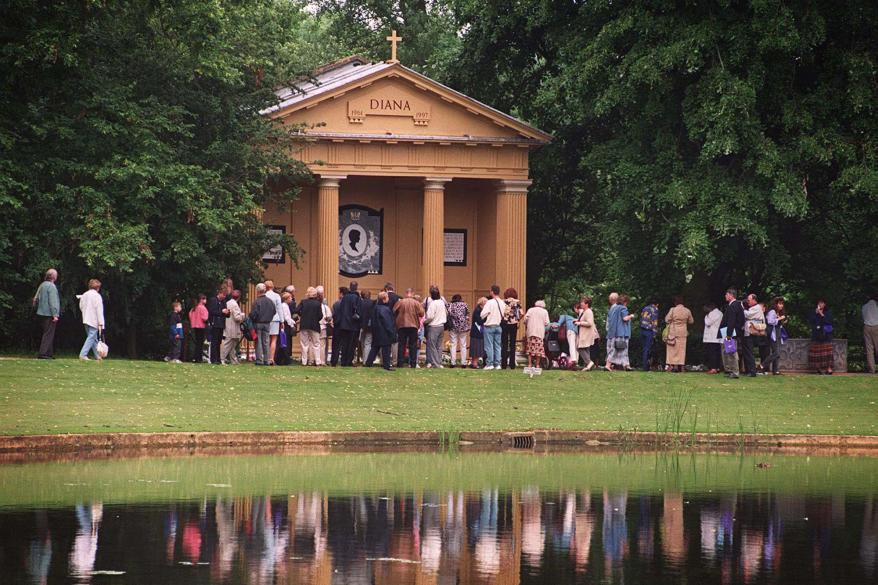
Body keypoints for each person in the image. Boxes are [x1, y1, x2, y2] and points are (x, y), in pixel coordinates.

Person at [364, 291, 397, 371]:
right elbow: (387, 322)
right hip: (384, 332)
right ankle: (386, 365)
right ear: (384, 299)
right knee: (386, 349)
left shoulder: (375, 308)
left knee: (375, 348)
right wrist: (392, 332)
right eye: (387, 297)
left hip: (376, 331)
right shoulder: (385, 309)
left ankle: (368, 363)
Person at [33, 268, 60, 359]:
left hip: (41, 313)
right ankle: (43, 353)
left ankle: (49, 353)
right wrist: (55, 314)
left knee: (48, 333)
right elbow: (53, 302)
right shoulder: (51, 286)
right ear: (54, 277)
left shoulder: (42, 285)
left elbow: (35, 299)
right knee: (48, 334)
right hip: (49, 314)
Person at [718, 288, 746, 379]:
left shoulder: (733, 306)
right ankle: (730, 369)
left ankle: (734, 371)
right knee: (728, 351)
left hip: (731, 332)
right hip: (733, 331)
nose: (725, 296)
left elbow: (731, 321)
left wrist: (729, 334)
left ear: (731, 295)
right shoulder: (737, 305)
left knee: (731, 351)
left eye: (726, 294)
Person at [394, 288, 424, 368]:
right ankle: (413, 363)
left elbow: (394, 311)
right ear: (413, 293)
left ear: (406, 293)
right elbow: (422, 314)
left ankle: (400, 363)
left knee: (401, 345)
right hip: (413, 326)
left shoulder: (400, 302)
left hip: (402, 325)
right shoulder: (416, 303)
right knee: (413, 345)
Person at [335, 281, 363, 367]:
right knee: (352, 345)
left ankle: (343, 361)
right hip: (353, 325)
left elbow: (341, 310)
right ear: (356, 287)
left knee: (344, 344)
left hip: (344, 325)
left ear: (350, 287)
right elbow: (359, 311)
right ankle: (349, 361)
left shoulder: (345, 297)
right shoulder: (357, 298)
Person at [664, 296, 694, 373]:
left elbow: (667, 319)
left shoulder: (672, 310)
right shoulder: (687, 310)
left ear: (675, 302)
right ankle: (682, 366)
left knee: (672, 349)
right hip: (683, 332)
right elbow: (691, 321)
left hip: (673, 332)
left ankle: (673, 366)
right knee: (682, 350)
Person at [248, 283, 276, 365]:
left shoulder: (257, 302)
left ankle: (259, 360)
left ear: (258, 291)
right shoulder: (270, 301)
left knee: (258, 341)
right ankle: (266, 360)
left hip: (258, 323)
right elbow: (274, 311)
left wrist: (251, 318)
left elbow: (254, 314)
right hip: (267, 323)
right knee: (266, 342)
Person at [480, 285, 507, 370]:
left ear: (492, 291)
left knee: (489, 346)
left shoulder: (490, 302)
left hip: (489, 326)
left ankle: (490, 363)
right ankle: (497, 364)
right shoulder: (502, 303)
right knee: (497, 346)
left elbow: (482, 315)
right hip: (498, 326)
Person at [606, 293, 635, 371]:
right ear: (625, 302)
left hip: (612, 333)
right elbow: (625, 318)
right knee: (623, 350)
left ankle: (626, 365)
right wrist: (631, 316)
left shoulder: (612, 309)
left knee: (613, 349)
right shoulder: (623, 308)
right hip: (622, 333)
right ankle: (624, 365)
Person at [296, 287, 324, 366]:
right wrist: (316, 319)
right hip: (314, 325)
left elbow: (297, 310)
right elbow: (320, 315)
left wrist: (303, 316)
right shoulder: (318, 303)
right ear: (315, 295)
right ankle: (318, 361)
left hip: (304, 324)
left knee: (304, 344)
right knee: (316, 343)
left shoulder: (303, 302)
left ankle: (304, 361)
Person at [78, 279, 105, 361]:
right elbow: (99, 310)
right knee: (91, 337)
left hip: (85, 318)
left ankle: (97, 356)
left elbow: (81, 306)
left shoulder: (84, 295)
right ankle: (83, 354)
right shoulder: (97, 296)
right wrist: (101, 323)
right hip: (94, 320)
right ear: (98, 288)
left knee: (93, 338)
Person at [424, 285, 448, 368]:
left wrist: (425, 322)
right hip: (441, 326)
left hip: (433, 326)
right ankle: (439, 362)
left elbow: (430, 317)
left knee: (432, 345)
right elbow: (446, 312)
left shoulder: (433, 304)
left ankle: (435, 363)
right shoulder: (442, 302)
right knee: (439, 346)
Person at [808, 299, 834, 374]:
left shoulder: (828, 312)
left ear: (824, 304)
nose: (820, 304)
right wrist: (816, 314)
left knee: (828, 353)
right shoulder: (814, 312)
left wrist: (821, 314)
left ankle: (829, 369)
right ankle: (819, 369)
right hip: (816, 335)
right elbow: (811, 321)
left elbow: (828, 321)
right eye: (819, 303)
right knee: (818, 354)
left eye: (822, 303)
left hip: (826, 335)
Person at [523, 300, 550, 370]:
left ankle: (529, 364)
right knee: (538, 350)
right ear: (543, 306)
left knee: (530, 349)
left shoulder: (530, 310)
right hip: (539, 333)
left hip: (530, 332)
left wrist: (527, 324)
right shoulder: (544, 312)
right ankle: (537, 365)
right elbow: (547, 323)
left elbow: (525, 319)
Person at [742, 293, 765, 377]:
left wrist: (742, 308)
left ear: (754, 300)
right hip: (749, 332)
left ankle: (752, 371)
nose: (748, 302)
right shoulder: (753, 308)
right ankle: (748, 370)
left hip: (752, 332)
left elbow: (748, 314)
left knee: (749, 352)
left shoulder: (757, 307)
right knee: (747, 352)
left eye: (749, 300)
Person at [764, 297, 787, 375]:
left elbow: (777, 323)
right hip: (773, 334)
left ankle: (775, 370)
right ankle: (762, 365)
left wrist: (782, 321)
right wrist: (780, 318)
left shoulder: (778, 312)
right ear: (776, 304)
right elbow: (770, 321)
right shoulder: (772, 311)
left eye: (782, 304)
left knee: (777, 352)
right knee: (776, 352)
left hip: (778, 333)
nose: (781, 306)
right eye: (780, 304)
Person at [220, 289, 244, 365]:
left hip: (227, 325)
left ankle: (234, 360)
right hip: (233, 327)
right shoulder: (235, 304)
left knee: (232, 345)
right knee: (228, 344)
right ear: (239, 297)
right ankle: (222, 359)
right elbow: (237, 317)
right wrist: (243, 315)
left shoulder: (227, 303)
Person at [574, 296, 597, 371]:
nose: (581, 304)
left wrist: (579, 323)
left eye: (582, 302)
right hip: (584, 333)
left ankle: (589, 362)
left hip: (586, 333)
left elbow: (589, 323)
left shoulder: (588, 312)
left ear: (587, 304)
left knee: (580, 348)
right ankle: (588, 366)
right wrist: (576, 321)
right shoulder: (584, 311)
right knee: (586, 348)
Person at [500, 288, 522, 369]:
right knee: (512, 344)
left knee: (504, 343)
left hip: (504, 323)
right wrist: (517, 319)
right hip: (513, 324)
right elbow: (521, 313)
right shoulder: (517, 302)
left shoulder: (503, 302)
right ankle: (512, 364)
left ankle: (504, 364)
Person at [263, 280, 283, 366]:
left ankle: (266, 358)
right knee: (274, 340)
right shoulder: (276, 296)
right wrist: (282, 321)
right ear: (272, 286)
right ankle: (271, 358)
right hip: (275, 319)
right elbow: (279, 309)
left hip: (265, 319)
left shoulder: (263, 296)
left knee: (266, 339)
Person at [274, 291, 296, 365]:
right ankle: (284, 359)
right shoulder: (284, 306)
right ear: (286, 299)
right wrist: (292, 324)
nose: (291, 299)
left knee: (283, 342)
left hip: (286, 324)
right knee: (284, 342)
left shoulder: (285, 305)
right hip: (286, 325)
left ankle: (283, 359)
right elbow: (286, 317)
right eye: (290, 298)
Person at [447, 294, 470, 368]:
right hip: (463, 327)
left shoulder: (450, 305)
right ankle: (463, 363)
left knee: (453, 344)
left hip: (453, 327)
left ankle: (453, 363)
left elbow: (448, 314)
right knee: (463, 345)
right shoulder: (465, 305)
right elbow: (467, 315)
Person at [206, 288, 227, 365]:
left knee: (219, 342)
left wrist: (227, 313)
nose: (224, 297)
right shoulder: (213, 300)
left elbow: (225, 314)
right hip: (214, 324)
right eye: (223, 295)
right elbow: (211, 311)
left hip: (221, 324)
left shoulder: (223, 302)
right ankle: (213, 359)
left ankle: (218, 359)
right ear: (220, 293)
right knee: (214, 342)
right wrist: (221, 312)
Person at [702, 303, 723, 374]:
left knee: (712, 353)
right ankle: (717, 367)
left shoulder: (712, 314)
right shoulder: (720, 313)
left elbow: (707, 322)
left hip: (712, 336)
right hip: (717, 336)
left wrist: (706, 316)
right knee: (717, 353)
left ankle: (713, 368)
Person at [639, 300, 660, 371]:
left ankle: (644, 365)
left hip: (642, 330)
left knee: (644, 349)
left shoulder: (645, 308)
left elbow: (642, 319)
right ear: (657, 304)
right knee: (648, 349)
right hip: (649, 331)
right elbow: (654, 322)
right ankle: (646, 367)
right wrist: (654, 333)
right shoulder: (654, 309)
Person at [384, 283, 402, 363]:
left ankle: (384, 360)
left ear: (386, 289)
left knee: (384, 341)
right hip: (396, 322)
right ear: (393, 289)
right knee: (395, 342)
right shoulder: (399, 298)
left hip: (384, 321)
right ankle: (395, 361)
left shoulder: (383, 297)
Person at [188, 294, 208, 363]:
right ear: (201, 300)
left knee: (197, 342)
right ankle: (199, 358)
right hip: (201, 326)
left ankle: (196, 357)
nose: (206, 300)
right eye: (204, 299)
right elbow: (205, 318)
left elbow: (190, 315)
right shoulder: (202, 307)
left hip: (195, 326)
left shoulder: (194, 307)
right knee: (200, 343)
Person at [358, 290, 376, 365]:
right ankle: (366, 361)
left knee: (362, 342)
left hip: (361, 326)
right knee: (368, 343)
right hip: (370, 326)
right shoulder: (373, 303)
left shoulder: (360, 303)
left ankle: (364, 359)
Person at [469, 297, 487, 369]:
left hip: (476, 332)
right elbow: (479, 321)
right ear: (483, 303)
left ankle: (474, 363)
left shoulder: (479, 310)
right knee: (476, 349)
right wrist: (486, 317)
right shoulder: (478, 310)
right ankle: (475, 364)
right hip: (476, 333)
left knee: (475, 349)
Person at [329, 287, 345, 366]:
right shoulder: (347, 304)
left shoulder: (336, 304)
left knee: (336, 345)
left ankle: (334, 361)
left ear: (341, 294)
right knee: (345, 345)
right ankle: (344, 361)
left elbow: (333, 314)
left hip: (337, 326)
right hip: (345, 326)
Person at [863, 293, 878, 374]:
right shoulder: (877, 305)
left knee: (869, 349)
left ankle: (872, 370)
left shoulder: (864, 306)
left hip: (866, 327)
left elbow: (863, 317)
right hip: (876, 326)